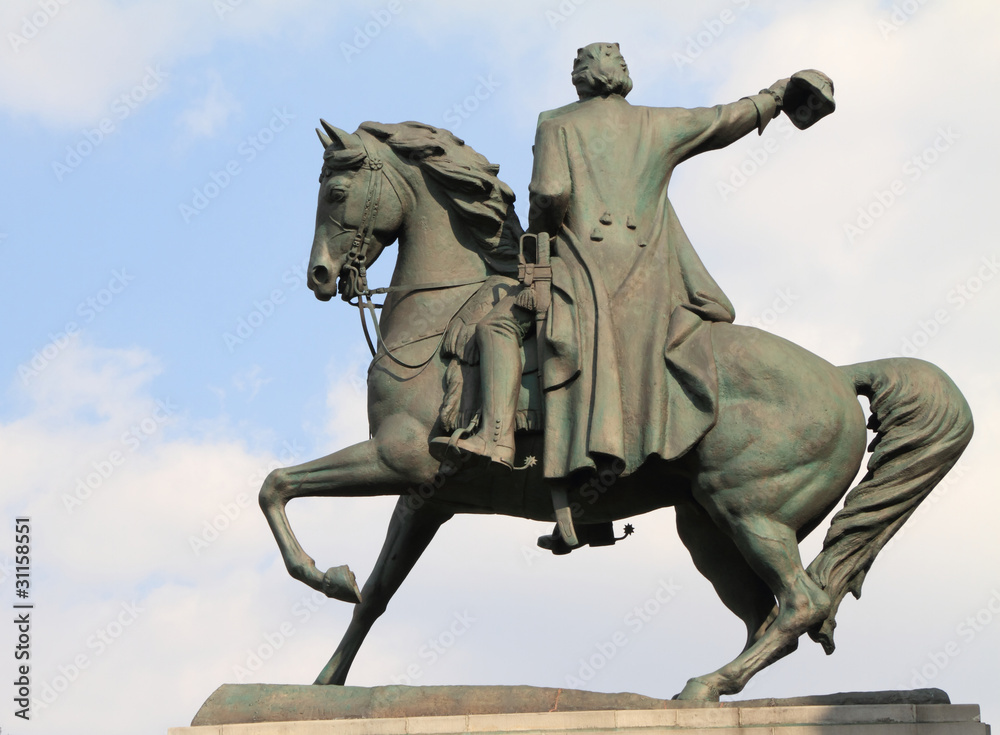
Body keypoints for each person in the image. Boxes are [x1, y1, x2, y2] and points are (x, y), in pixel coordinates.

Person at [432, 42, 797, 479]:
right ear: (623, 76)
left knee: (497, 325)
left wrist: (536, 238)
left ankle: (495, 438)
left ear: (579, 78)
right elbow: (723, 120)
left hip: (580, 264)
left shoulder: (557, 124)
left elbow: (550, 193)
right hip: (653, 272)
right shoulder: (658, 123)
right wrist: (776, 96)